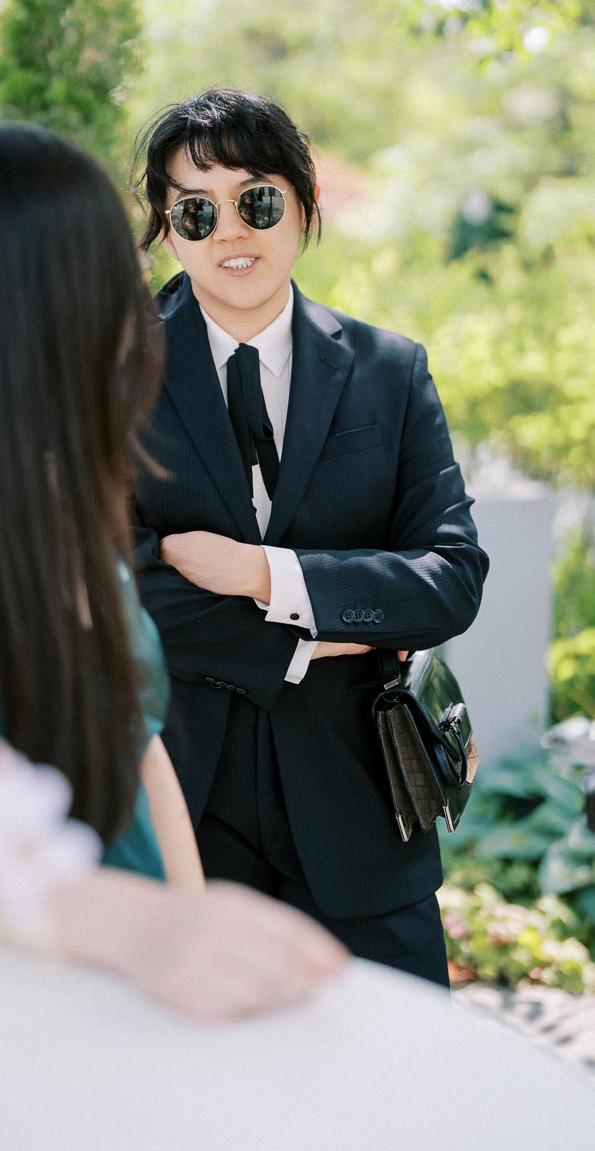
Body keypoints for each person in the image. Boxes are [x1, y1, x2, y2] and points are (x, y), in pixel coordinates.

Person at [0, 121, 345, 1018]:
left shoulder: (49, 497)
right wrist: (144, 932)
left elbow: (138, 746)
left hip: (118, 1002)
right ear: (31, 304)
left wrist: (193, 933)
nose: (137, 304)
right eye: (111, 273)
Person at [130, 88, 489, 987]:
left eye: (256, 201)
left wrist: (266, 575)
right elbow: (114, 586)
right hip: (183, 805)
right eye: (195, 212)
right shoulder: (108, 372)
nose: (230, 232)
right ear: (166, 230)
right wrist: (321, 635)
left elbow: (450, 578)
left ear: (303, 201)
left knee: (398, 1100)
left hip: (360, 807)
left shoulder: (389, 370)